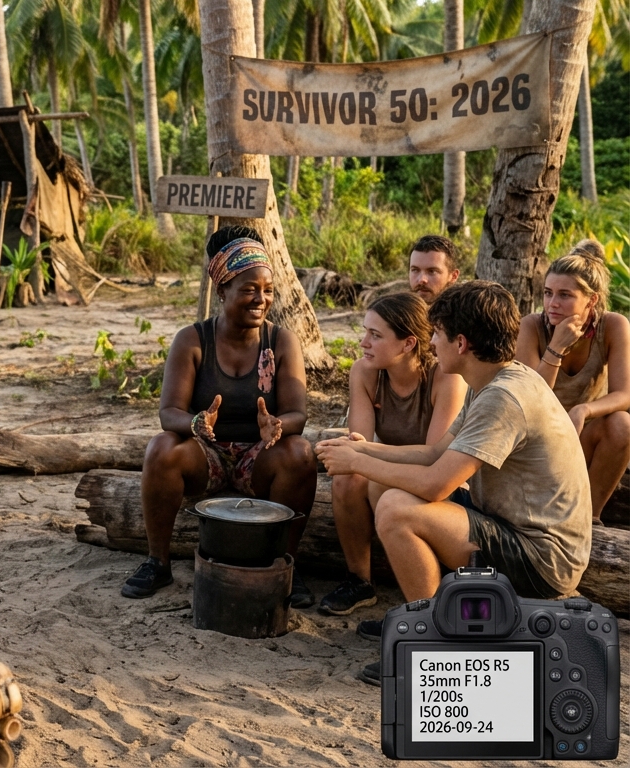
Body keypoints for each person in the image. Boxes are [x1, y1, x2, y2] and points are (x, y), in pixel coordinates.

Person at [316, 282, 591, 683]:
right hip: (511, 529)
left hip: (542, 559)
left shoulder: (504, 398)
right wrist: (364, 452)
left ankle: (434, 647)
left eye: (437, 335)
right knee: (383, 489)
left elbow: (434, 485)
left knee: (396, 508)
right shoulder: (492, 382)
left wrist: (357, 462)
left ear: (460, 342)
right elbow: (432, 454)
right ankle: (423, 617)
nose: (431, 344)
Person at [122, 226, 317, 605]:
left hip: (260, 458)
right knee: (161, 448)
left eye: (267, 290)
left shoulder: (281, 341)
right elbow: (169, 413)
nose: (260, 299)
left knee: (300, 454)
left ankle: (285, 564)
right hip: (205, 456)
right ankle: (157, 562)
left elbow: (298, 413)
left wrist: (277, 426)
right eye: (248, 289)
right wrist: (195, 424)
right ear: (222, 291)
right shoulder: (193, 340)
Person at [318, 293, 467, 615]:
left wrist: (362, 455)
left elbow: (434, 455)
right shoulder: (365, 371)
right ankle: (359, 581)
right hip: (392, 469)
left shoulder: (446, 378)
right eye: (365, 332)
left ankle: (421, 592)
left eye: (375, 335)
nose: (363, 343)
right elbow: (358, 440)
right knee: (347, 478)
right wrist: (351, 455)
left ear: (408, 343)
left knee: (374, 482)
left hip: (439, 479)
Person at [514, 239, 630, 524]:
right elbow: (530, 399)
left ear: (591, 300)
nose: (552, 304)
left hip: (582, 437)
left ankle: (587, 517)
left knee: (622, 424)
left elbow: (625, 394)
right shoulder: (532, 326)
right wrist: (555, 347)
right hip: (538, 440)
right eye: (548, 293)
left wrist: (583, 410)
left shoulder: (613, 326)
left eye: (565, 295)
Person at [408, 234, 461, 304]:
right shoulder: (397, 312)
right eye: (415, 270)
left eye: (432, 271)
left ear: (453, 276)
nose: (421, 280)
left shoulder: (465, 313)